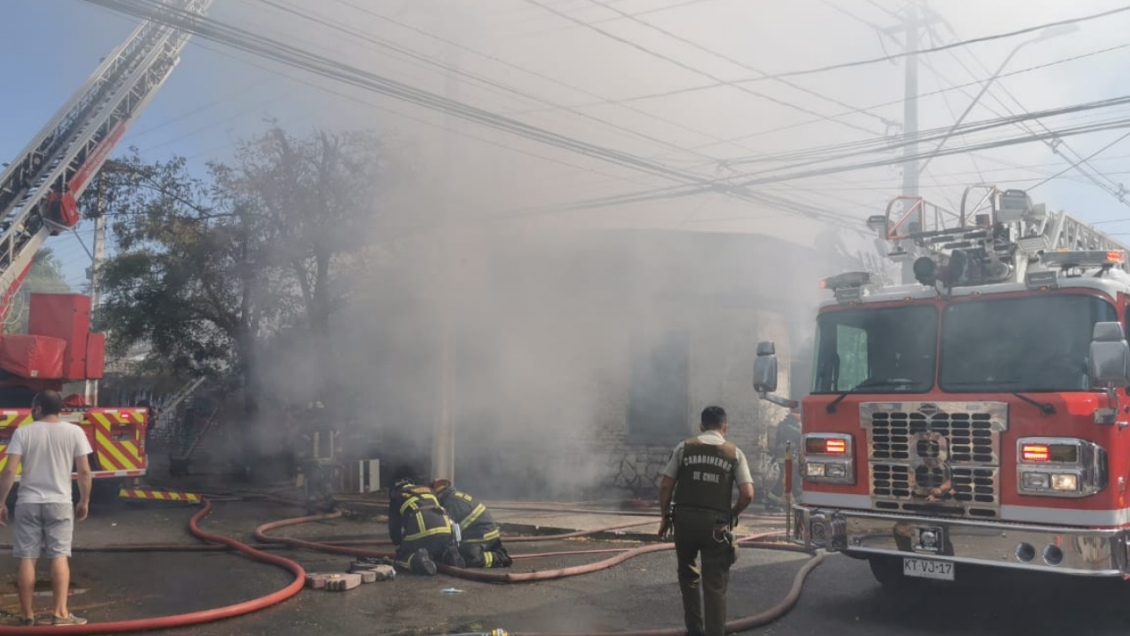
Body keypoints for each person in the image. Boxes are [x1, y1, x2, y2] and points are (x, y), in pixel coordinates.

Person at [658, 406, 754, 636]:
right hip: (716, 526)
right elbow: (748, 493)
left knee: (688, 576)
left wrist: (664, 517)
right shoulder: (735, 453)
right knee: (715, 585)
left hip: (685, 522)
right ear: (725, 427)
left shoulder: (685, 447)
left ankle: (694, 631)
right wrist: (733, 513)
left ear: (701, 426)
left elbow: (665, 485)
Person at [0, 391, 93, 626]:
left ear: (39, 408)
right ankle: (60, 614)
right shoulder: (74, 432)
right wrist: (84, 500)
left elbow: (9, 471)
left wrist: (1, 501)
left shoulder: (23, 432)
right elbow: (83, 471)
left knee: (27, 558)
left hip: (28, 503)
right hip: (60, 503)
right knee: (59, 556)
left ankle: (27, 616)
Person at [387, 473, 464, 575]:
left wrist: (399, 544)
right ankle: (448, 554)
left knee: (401, 557)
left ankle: (416, 560)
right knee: (436, 550)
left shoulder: (398, 495)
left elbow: (394, 526)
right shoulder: (428, 490)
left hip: (423, 530)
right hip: (446, 530)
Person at [431, 479, 512, 568]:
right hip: (478, 532)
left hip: (482, 535)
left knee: (465, 558)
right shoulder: (452, 497)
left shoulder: (451, 503)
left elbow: (447, 531)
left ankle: (499, 557)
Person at [766, 410, 802, 512]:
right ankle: (771, 502)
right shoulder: (788, 426)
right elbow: (799, 437)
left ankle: (801, 502)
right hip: (786, 457)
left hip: (790, 457)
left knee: (795, 480)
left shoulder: (789, 425)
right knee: (785, 480)